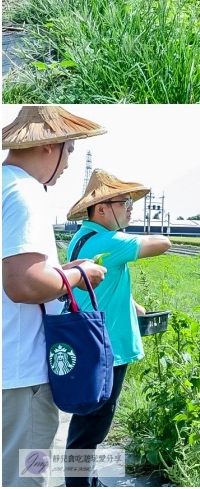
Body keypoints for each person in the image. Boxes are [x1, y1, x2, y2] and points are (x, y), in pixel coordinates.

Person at [2, 106, 108, 487]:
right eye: (71, 150)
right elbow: (23, 284)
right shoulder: (25, 192)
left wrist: (60, 273)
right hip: (20, 375)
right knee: (24, 477)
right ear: (50, 147)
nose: (67, 165)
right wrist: (79, 276)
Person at [63, 169, 171, 487]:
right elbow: (162, 243)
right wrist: (132, 239)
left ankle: (86, 480)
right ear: (101, 208)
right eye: (124, 202)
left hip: (91, 343)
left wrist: (133, 304)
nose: (130, 208)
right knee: (93, 425)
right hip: (105, 348)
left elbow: (100, 285)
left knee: (88, 422)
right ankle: (80, 484)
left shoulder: (82, 239)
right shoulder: (109, 240)